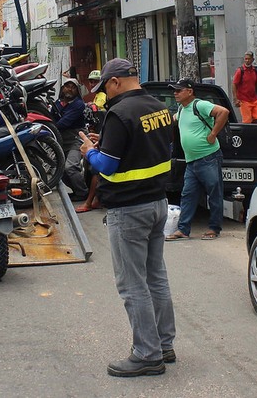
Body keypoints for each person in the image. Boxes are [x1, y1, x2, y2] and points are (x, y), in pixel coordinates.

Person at [80, 58, 177, 377]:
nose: (104, 95)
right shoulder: (158, 106)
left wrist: (90, 152)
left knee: (132, 283)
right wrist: (104, 146)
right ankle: (164, 345)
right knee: (156, 277)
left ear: (116, 82)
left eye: (104, 88)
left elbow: (106, 166)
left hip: (129, 209)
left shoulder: (119, 113)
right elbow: (144, 148)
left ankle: (147, 354)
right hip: (157, 203)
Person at [165, 78, 230, 241]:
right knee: (188, 194)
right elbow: (171, 121)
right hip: (192, 161)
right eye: (174, 90)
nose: (175, 93)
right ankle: (183, 230)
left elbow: (223, 112)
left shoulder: (199, 105)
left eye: (179, 90)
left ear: (189, 91)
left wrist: (213, 134)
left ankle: (214, 228)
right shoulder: (181, 109)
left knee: (214, 193)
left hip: (208, 157)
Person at [51, 78, 88, 201]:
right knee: (59, 171)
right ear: (62, 88)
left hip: (77, 138)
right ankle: (77, 191)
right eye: (67, 86)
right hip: (62, 140)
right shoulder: (57, 103)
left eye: (73, 87)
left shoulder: (78, 104)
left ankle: (83, 193)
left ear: (77, 91)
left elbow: (62, 123)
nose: (70, 89)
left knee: (70, 167)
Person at [76, 70, 107, 213]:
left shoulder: (103, 97)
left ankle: (90, 202)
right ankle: (96, 200)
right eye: (91, 81)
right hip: (99, 136)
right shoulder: (96, 97)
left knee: (96, 170)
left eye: (95, 81)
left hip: (103, 138)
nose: (93, 84)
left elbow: (98, 110)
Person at [231, 51, 257, 123]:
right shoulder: (240, 71)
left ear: (253, 59)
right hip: (244, 100)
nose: (247, 60)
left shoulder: (255, 71)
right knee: (247, 121)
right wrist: (235, 99)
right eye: (245, 59)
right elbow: (234, 84)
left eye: (249, 59)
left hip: (254, 99)